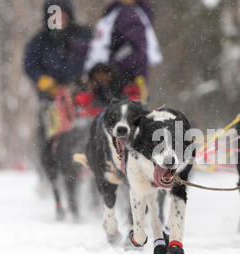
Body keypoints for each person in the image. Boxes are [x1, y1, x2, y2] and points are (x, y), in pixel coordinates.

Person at [23, 0, 91, 198]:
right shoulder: (39, 41)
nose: (57, 19)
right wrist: (43, 81)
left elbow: (96, 58)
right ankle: (48, 177)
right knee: (48, 139)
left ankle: (89, 177)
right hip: (51, 101)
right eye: (53, 15)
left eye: (61, 14)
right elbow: (30, 65)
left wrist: (86, 79)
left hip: (82, 98)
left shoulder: (84, 36)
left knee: (86, 136)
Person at [84, 0, 162, 104]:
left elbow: (136, 50)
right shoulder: (115, 12)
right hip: (116, 80)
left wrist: (110, 69)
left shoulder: (128, 14)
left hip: (124, 82)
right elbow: (99, 45)